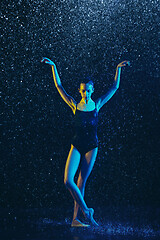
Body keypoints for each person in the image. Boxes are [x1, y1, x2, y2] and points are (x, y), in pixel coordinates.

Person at [41, 57, 130, 227]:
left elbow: (114, 87)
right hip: (76, 144)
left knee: (81, 183)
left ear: (92, 90)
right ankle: (87, 211)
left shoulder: (97, 104)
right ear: (80, 91)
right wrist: (54, 66)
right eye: (83, 91)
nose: (85, 93)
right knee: (68, 180)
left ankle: (76, 219)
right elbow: (59, 87)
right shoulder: (74, 104)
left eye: (88, 90)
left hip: (91, 147)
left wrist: (118, 68)